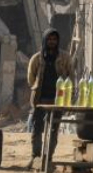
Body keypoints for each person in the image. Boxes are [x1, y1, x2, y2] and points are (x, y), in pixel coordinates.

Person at [27, 28, 73, 166]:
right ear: (45, 40)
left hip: (57, 101)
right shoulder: (37, 58)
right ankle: (35, 157)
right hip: (40, 100)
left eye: (54, 39)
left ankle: (48, 158)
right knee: (37, 130)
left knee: (53, 131)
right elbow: (31, 78)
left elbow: (71, 75)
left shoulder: (64, 57)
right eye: (49, 39)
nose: (52, 42)